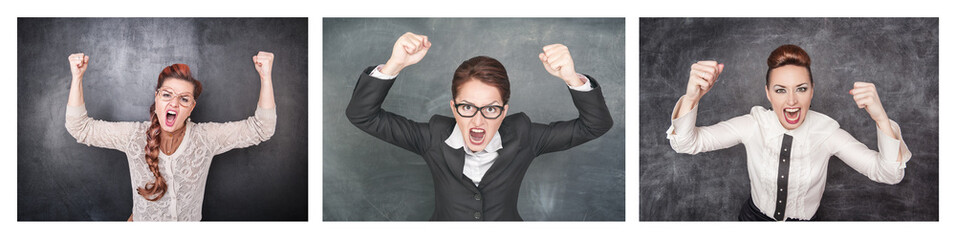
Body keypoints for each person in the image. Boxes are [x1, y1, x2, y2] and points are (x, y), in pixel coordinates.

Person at [346, 32, 613, 221]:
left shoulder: (525, 137)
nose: (478, 119)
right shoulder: (431, 138)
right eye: (467, 107)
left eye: (491, 109)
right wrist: (395, 64)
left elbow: (596, 124)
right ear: (453, 107)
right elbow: (362, 115)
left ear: (504, 111)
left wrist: (571, 78)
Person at [666, 44, 912, 221]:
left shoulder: (828, 132)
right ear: (768, 93)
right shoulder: (753, 124)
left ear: (812, 91)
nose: (792, 100)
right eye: (781, 90)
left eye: (801, 89)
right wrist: (692, 97)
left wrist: (880, 116)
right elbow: (685, 143)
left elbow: (890, 174)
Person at [64, 51, 277, 221]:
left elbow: (261, 129)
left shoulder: (206, 138)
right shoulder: (133, 136)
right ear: (156, 99)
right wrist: (77, 77)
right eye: (167, 95)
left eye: (184, 99)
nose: (174, 103)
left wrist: (266, 77)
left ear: (191, 107)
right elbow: (80, 128)